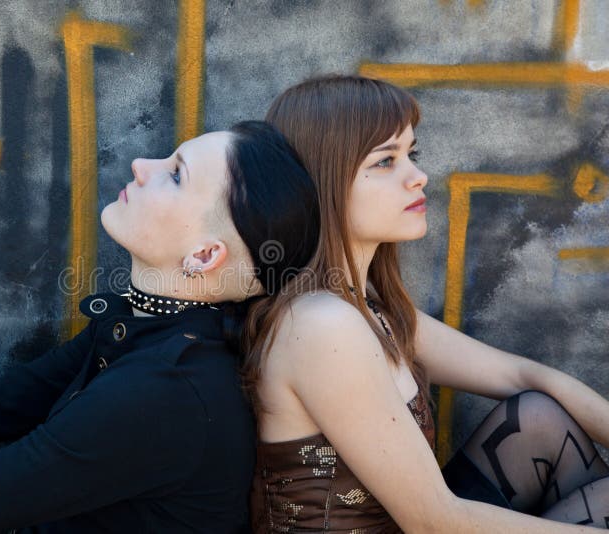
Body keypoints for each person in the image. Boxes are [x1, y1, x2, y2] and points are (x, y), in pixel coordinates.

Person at [0, 121, 320, 533]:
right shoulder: (140, 326)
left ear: (204, 254)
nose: (143, 166)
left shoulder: (167, 392)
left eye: (176, 175)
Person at [244, 74, 609, 532]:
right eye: (385, 161)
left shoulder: (365, 305)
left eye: (410, 155)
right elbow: (435, 521)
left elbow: (521, 375)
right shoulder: (319, 324)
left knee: (536, 416)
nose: (419, 177)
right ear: (325, 179)